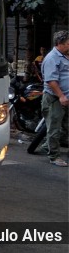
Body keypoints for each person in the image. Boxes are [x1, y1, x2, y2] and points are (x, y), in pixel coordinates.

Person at [40, 30, 69, 167]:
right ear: (60, 44)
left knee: (64, 127)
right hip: (55, 99)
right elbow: (51, 81)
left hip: (64, 99)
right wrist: (61, 96)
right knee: (54, 128)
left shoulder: (64, 56)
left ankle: (48, 146)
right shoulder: (52, 58)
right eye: (68, 44)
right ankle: (54, 156)